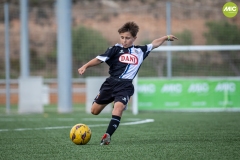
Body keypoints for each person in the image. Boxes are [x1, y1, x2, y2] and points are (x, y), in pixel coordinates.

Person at [78, 21, 178, 145]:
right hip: (110, 83)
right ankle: (110, 99)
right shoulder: (115, 49)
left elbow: (154, 44)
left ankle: (107, 136)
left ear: (134, 38)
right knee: (94, 111)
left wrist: (166, 37)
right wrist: (85, 66)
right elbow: (100, 59)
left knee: (118, 108)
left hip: (125, 86)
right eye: (122, 37)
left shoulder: (140, 51)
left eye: (127, 38)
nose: (124, 40)